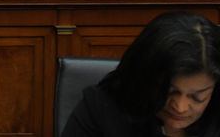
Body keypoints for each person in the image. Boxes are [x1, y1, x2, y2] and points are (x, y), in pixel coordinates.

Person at [63, 11, 220, 136]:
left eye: (198, 97)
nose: (180, 107)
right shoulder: (100, 110)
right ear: (144, 77)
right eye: (168, 91)